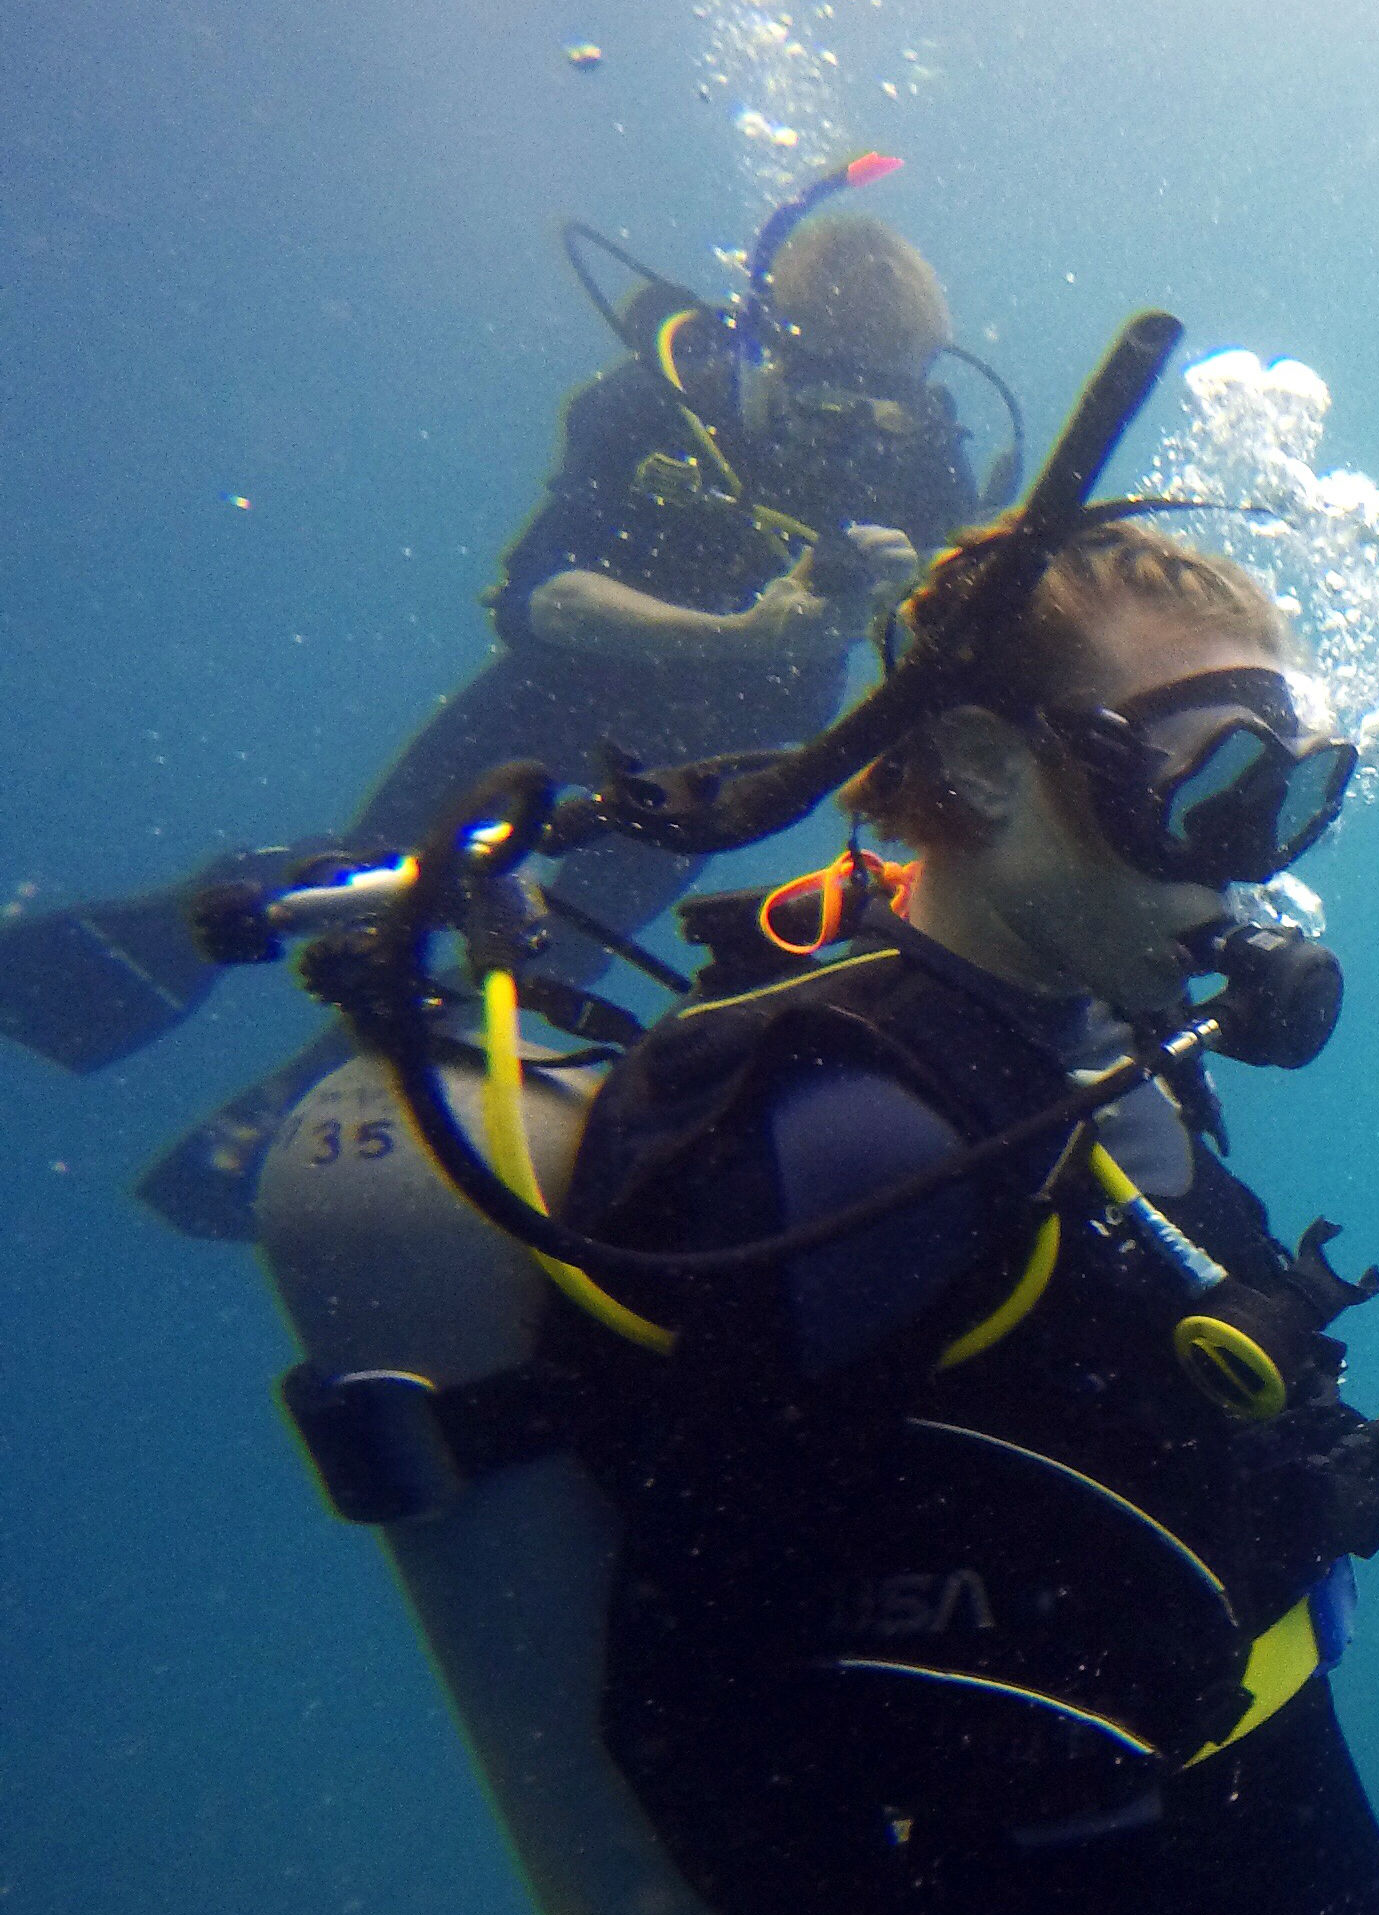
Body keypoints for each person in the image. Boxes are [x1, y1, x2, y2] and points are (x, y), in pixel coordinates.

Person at [541, 518, 1379, 1915]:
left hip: (1262, 1824)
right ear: (975, 766)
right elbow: (689, 1706)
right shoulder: (875, 1142)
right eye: (1198, 790)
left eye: (1280, 804)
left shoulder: (1100, 1038)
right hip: (1085, 1908)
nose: (1242, 874)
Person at [0, 198, 988, 1239]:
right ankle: (143, 954)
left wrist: (905, 594)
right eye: (828, 388)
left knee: (562, 955)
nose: (851, 430)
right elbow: (545, 595)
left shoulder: (923, 461)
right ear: (759, 343)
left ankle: (324, 1098)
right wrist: (743, 631)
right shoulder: (652, 405)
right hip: (568, 688)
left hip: (730, 746)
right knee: (374, 873)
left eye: (885, 402)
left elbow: (955, 616)